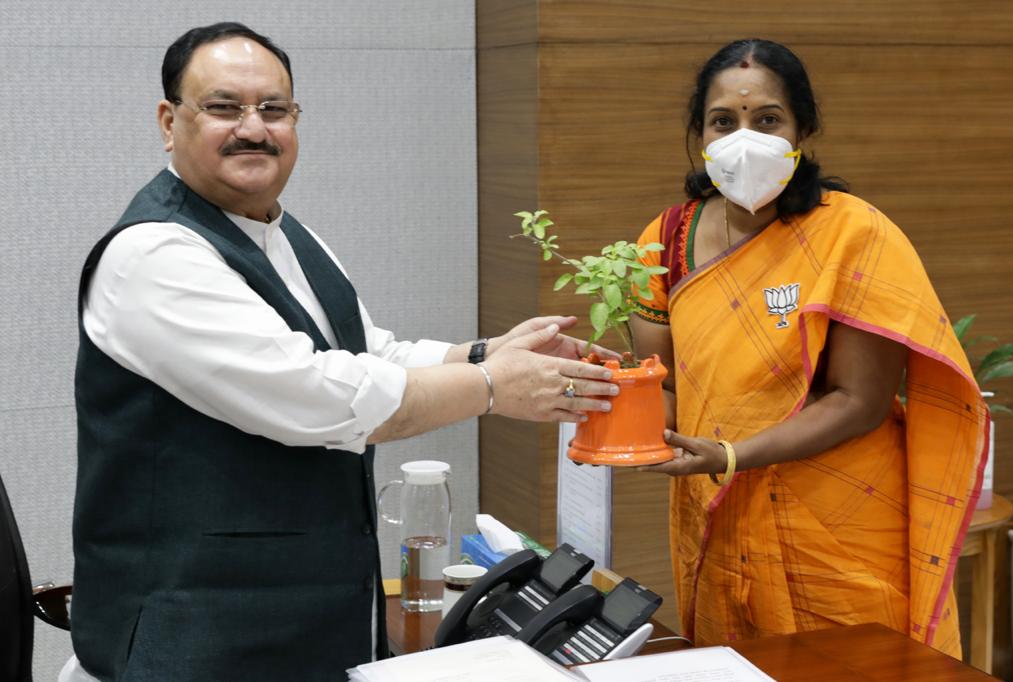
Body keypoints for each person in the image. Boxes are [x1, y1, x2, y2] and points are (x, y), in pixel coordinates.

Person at [68, 22, 617, 681]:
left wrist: (484, 352)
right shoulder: (155, 255)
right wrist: (495, 386)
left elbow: (370, 353)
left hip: (300, 626)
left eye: (274, 109)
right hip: (193, 635)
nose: (253, 128)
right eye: (223, 107)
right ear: (169, 120)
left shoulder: (285, 234)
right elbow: (319, 395)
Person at [630, 39, 987, 657]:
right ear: (701, 133)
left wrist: (732, 453)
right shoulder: (664, 238)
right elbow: (665, 387)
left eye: (766, 120)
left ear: (803, 129)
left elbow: (859, 401)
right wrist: (614, 416)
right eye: (724, 122)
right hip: (716, 514)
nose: (745, 137)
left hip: (836, 522)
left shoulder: (853, 234)